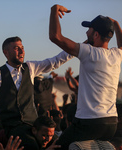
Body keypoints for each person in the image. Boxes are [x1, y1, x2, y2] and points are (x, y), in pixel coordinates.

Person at [49, 4, 122, 149]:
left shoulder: (89, 52)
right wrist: (116, 24)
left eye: (89, 30)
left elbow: (55, 37)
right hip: (111, 123)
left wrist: (53, 10)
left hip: (89, 123)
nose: (86, 33)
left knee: (56, 146)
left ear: (95, 35)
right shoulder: (117, 54)